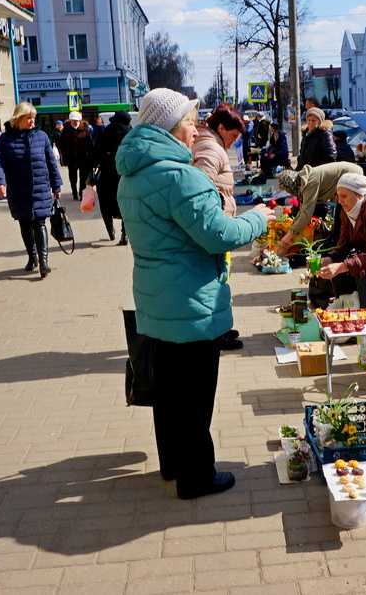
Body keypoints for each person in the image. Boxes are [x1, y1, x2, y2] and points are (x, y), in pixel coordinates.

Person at [116, 88, 273, 500]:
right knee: (195, 396)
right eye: (189, 121)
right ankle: (197, 476)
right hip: (191, 302)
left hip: (156, 297)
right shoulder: (178, 176)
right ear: (168, 126)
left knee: (169, 393)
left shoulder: (134, 172)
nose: (195, 128)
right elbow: (218, 234)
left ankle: (173, 465)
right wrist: (258, 219)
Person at [192, 106, 246, 351]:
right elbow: (199, 184)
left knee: (221, 276)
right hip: (215, 226)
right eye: (233, 136)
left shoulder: (210, 144)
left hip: (216, 224)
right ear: (221, 128)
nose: (233, 142)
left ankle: (220, 328)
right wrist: (221, 204)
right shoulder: (211, 148)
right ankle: (216, 332)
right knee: (218, 278)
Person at [0, 103, 62, 279]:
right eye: (28, 118)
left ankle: (44, 262)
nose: (32, 122)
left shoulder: (42, 136)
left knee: (39, 223)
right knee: (24, 224)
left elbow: (51, 162)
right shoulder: (6, 140)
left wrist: (56, 185)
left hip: (40, 188)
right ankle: (32, 257)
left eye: (33, 118)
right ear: (18, 119)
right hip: (18, 190)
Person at [315, 173, 366, 310]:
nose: (340, 201)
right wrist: (330, 259)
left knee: (364, 273)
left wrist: (342, 266)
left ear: (359, 195)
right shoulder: (348, 210)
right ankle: (347, 313)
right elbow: (344, 245)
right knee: (342, 268)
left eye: (344, 196)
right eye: (338, 196)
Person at [275, 161, 363, 255]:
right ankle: (336, 240)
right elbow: (302, 209)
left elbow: (307, 213)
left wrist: (289, 236)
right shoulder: (302, 179)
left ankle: (347, 246)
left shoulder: (310, 183)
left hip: (352, 175)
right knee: (340, 215)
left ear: (291, 186)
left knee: (346, 213)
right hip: (347, 174)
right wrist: (292, 229)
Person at [91, 111, 131, 244]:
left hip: (108, 173)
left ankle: (110, 231)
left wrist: (97, 164)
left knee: (105, 203)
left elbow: (97, 150)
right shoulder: (130, 132)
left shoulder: (107, 130)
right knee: (126, 204)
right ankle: (125, 235)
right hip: (125, 174)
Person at [59, 111, 94, 200]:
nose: (75, 122)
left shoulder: (85, 129)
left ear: (80, 120)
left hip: (83, 158)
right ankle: (74, 193)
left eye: (77, 120)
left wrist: (90, 157)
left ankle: (81, 193)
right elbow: (62, 146)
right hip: (71, 158)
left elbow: (90, 144)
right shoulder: (65, 130)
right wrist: (64, 158)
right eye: (73, 120)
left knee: (83, 177)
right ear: (70, 120)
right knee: (73, 177)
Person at [296, 102, 336, 170]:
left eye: (313, 120)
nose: (310, 123)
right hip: (306, 173)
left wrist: (318, 171)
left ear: (319, 122)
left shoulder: (324, 133)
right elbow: (302, 156)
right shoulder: (306, 134)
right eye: (309, 120)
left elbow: (331, 156)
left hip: (318, 174)